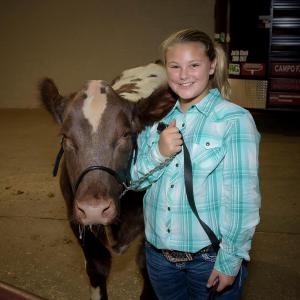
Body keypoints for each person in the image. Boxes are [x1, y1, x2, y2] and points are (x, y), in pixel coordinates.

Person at [131, 28, 261, 299]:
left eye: (194, 65)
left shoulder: (234, 120)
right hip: (158, 258)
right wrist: (159, 152)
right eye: (175, 66)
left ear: (212, 65)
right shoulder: (156, 119)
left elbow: (242, 200)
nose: (183, 75)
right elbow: (133, 181)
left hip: (207, 259)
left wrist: (229, 261)